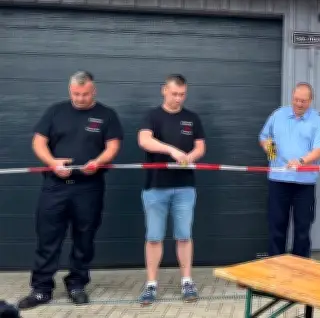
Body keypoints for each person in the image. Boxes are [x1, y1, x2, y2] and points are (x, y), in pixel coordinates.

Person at [17, 71, 123, 310]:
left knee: (84, 238)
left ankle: (77, 284)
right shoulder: (56, 111)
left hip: (89, 187)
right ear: (70, 90)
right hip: (55, 187)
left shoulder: (106, 115)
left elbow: (113, 145)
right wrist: (52, 162)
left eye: (85, 94)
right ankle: (42, 289)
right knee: (48, 238)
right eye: (76, 94)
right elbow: (38, 141)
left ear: (93, 91)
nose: (80, 98)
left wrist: (98, 162)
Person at [136, 74, 206, 305]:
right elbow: (144, 140)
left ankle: (187, 281)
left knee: (184, 236)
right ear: (164, 90)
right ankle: (151, 285)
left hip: (184, 187)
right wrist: (172, 151)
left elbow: (200, 146)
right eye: (174, 93)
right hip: (156, 187)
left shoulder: (192, 118)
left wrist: (191, 157)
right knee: (154, 237)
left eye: (182, 94)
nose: (178, 98)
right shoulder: (152, 116)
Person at [258, 82, 320, 259]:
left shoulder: (317, 121)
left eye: (303, 101)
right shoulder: (278, 115)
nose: (299, 104)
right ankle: (275, 267)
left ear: (310, 101)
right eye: (296, 99)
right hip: (278, 180)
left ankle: (301, 270)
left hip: (304, 184)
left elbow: (319, 149)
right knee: (276, 227)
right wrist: (270, 150)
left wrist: (302, 161)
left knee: (302, 230)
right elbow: (264, 137)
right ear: (292, 97)